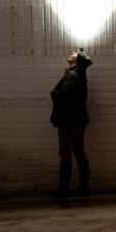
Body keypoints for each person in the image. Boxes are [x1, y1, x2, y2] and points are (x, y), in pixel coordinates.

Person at [48, 50, 93, 197]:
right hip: (80, 119)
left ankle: (63, 189)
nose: (72, 52)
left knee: (65, 152)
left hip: (69, 120)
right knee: (79, 151)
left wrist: (54, 93)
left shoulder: (72, 75)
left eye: (75, 54)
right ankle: (84, 187)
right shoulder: (80, 75)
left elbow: (63, 96)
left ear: (77, 61)